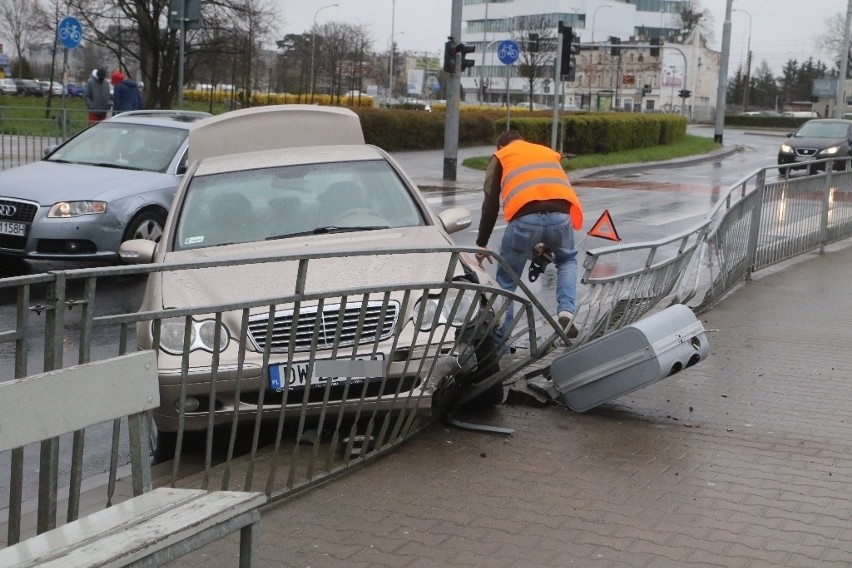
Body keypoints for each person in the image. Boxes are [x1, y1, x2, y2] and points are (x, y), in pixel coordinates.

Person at [475, 130, 584, 341]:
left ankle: (501, 342)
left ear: (500, 147)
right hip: (561, 217)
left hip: (524, 221)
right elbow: (548, 190)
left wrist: (482, 243)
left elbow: (490, 205)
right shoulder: (546, 152)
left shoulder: (501, 157)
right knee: (567, 261)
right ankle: (566, 312)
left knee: (507, 281)